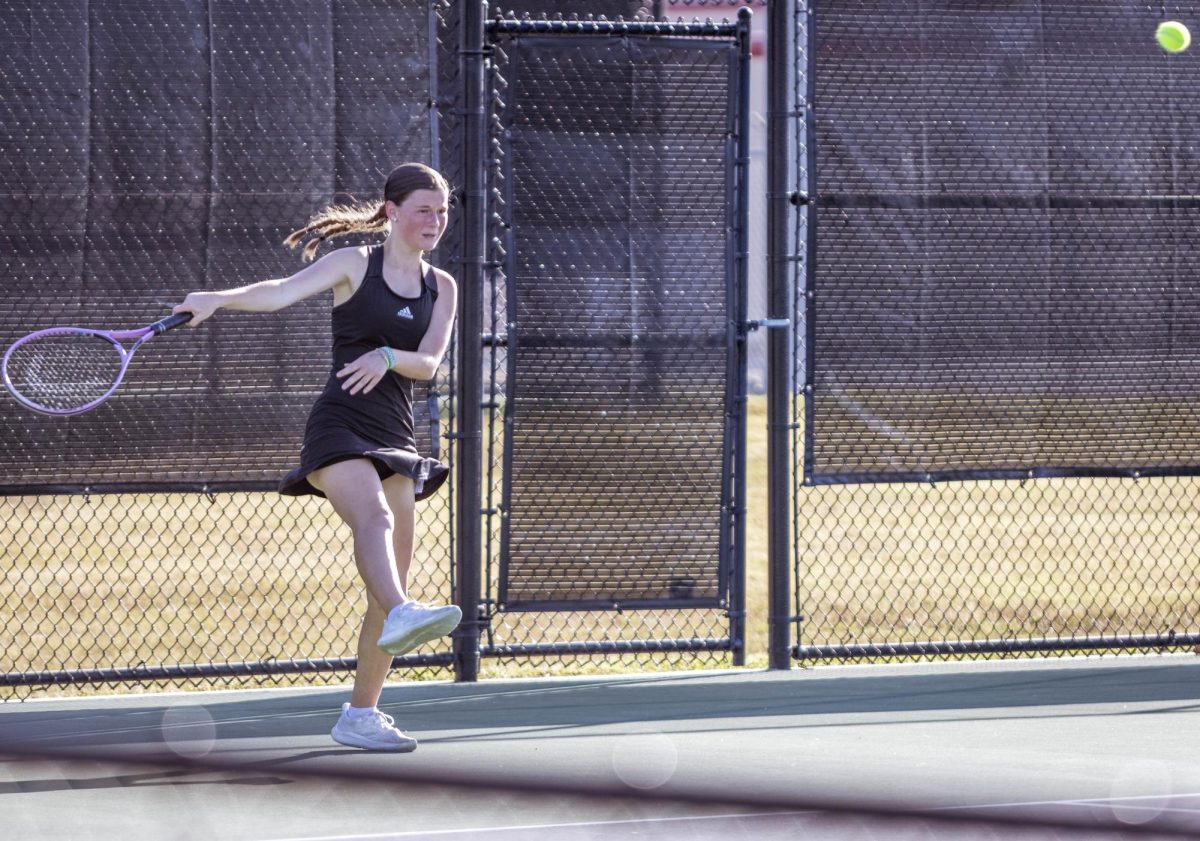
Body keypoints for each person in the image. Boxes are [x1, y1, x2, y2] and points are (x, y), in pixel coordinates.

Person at [174, 162, 460, 753]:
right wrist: (217, 299)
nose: (434, 220)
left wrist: (385, 356)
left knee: (390, 590)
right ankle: (404, 615)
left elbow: (429, 362)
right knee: (375, 525)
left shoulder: (443, 286)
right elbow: (280, 293)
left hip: (397, 434)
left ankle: (361, 714)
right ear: (391, 211)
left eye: (442, 210)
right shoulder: (355, 265)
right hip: (339, 427)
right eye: (423, 209)